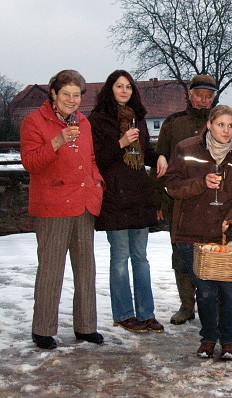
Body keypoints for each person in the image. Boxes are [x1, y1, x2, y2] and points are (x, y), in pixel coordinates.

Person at [20, 70, 105, 349]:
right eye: (66, 94)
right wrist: (56, 142)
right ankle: (43, 329)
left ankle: (85, 327)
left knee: (85, 270)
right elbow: (31, 163)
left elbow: (90, 158)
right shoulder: (33, 122)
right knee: (51, 270)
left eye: (77, 95)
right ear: (53, 94)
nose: (72, 100)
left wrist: (96, 184)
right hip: (53, 208)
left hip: (82, 204)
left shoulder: (84, 122)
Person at [164, 105, 232, 359]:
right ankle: (208, 338)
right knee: (204, 290)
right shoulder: (186, 149)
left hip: (222, 236)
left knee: (226, 290)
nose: (226, 130)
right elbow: (172, 187)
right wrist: (199, 183)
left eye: (231, 126)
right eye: (220, 125)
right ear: (209, 125)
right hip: (190, 234)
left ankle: (228, 341)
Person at [89, 70, 168, 333]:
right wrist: (121, 142)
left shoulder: (138, 117)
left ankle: (147, 313)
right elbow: (96, 160)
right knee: (120, 257)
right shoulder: (98, 120)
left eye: (128, 87)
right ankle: (123, 314)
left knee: (141, 258)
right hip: (114, 196)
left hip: (138, 194)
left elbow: (144, 150)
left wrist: (157, 156)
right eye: (119, 86)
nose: (124, 91)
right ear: (110, 89)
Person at [155, 75, 218, 325]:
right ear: (189, 94)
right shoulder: (173, 123)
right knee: (181, 256)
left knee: (211, 256)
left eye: (209, 96)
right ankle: (186, 305)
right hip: (179, 203)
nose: (203, 100)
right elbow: (162, 163)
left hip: (212, 203)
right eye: (199, 94)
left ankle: (210, 303)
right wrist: (162, 202)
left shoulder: (220, 122)